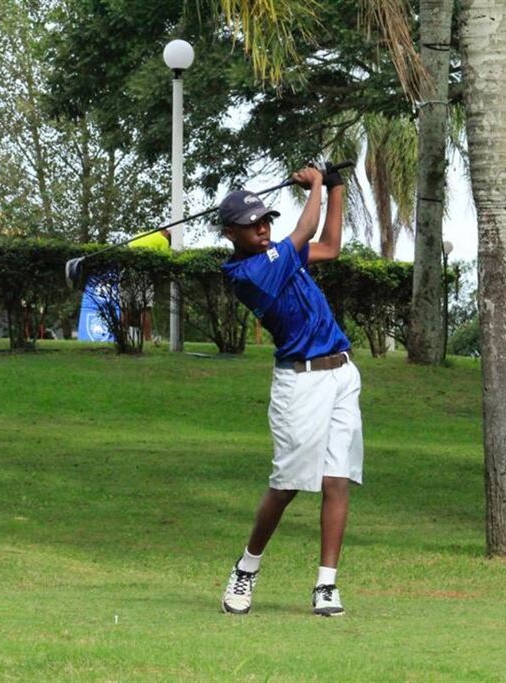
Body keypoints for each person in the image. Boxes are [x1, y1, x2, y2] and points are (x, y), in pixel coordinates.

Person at [218, 164, 362, 617]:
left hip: (341, 372)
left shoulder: (282, 255)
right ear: (230, 234)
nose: (262, 229)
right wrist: (316, 184)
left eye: (264, 221)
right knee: (286, 486)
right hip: (299, 384)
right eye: (250, 225)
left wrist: (335, 185)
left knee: (337, 481)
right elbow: (305, 228)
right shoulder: (249, 274)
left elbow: (331, 246)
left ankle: (326, 586)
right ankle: (246, 568)